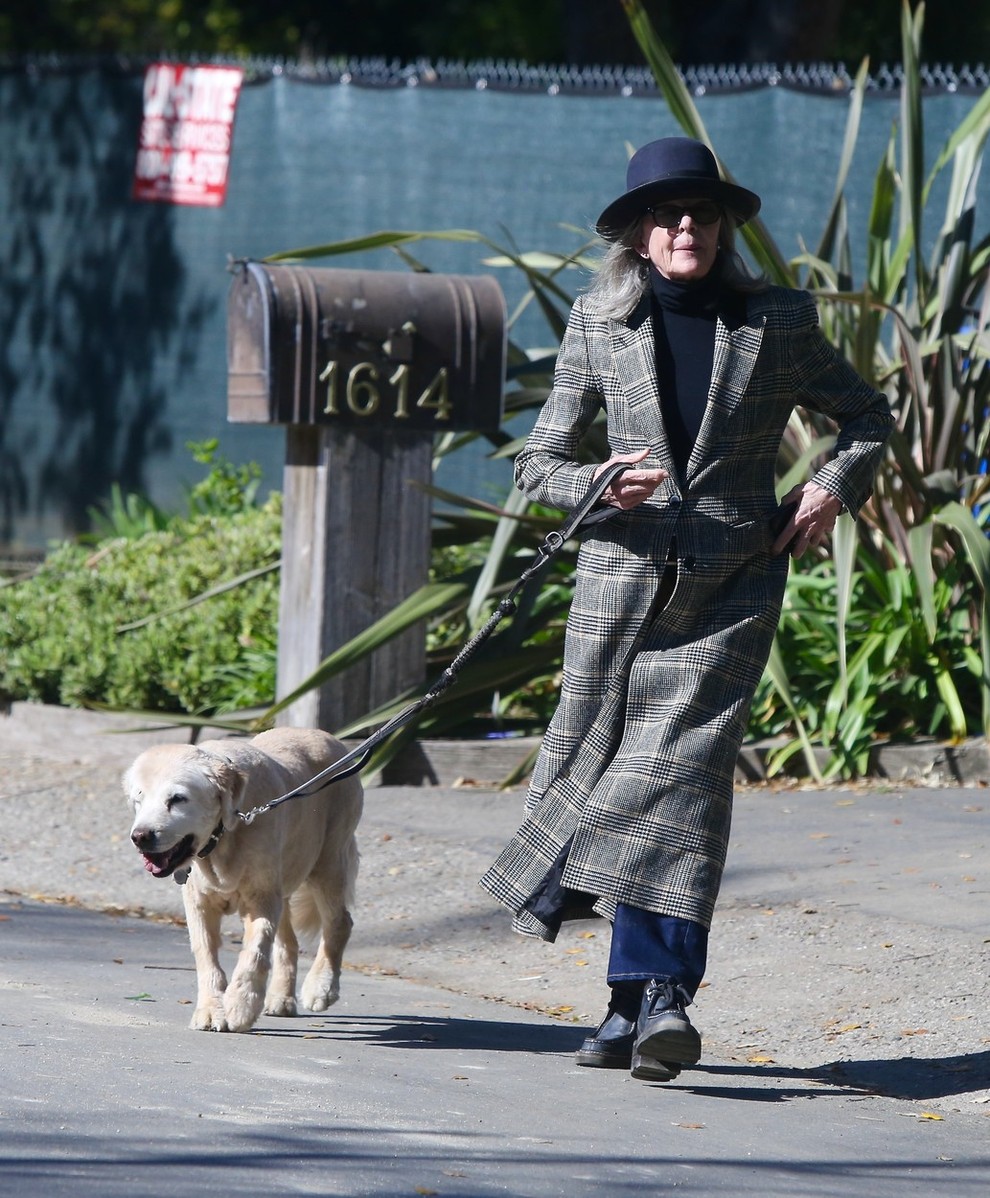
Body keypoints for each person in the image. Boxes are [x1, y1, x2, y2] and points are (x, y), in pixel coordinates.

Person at [479, 137, 894, 1083]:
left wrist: (832, 486)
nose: (683, 228)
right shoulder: (595, 323)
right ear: (635, 233)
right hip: (616, 593)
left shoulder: (778, 320)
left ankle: (664, 999)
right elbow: (537, 465)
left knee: (679, 777)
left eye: (699, 214)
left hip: (731, 588)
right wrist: (601, 483)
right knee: (607, 772)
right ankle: (630, 1003)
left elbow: (869, 413)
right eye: (665, 215)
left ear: (722, 226)